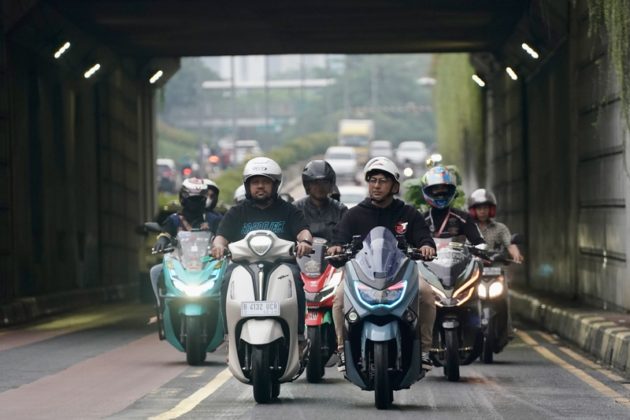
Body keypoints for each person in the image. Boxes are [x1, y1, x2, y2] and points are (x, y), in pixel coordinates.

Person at [327, 157, 436, 372]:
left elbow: (424, 236)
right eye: (373, 180)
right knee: (339, 299)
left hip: (401, 274)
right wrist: (336, 247)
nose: (376, 186)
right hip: (362, 275)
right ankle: (342, 350)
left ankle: (424, 350)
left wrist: (426, 246)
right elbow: (339, 238)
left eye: (383, 181)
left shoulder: (408, 213)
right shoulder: (354, 214)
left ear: (394, 186)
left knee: (426, 295)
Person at [211, 157, 313, 352]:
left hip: (281, 265)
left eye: (265, 182)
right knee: (226, 278)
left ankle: (299, 336)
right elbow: (221, 236)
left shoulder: (288, 210)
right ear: (247, 186)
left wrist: (305, 242)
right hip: (243, 266)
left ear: (275, 185)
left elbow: (303, 231)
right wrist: (218, 246)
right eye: (255, 182)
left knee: (295, 278)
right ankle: (229, 336)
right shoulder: (236, 212)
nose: (260, 186)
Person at [151, 178, 213, 310]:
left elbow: (223, 236)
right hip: (179, 263)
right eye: (192, 199)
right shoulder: (173, 219)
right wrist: (162, 240)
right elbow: (165, 233)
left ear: (204, 200)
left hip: (208, 263)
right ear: (182, 199)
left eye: (199, 199)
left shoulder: (213, 219)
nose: (195, 203)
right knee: (155, 271)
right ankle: (161, 308)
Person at [421, 166, 485, 246]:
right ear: (428, 191)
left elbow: (478, 242)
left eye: (443, 188)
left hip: (457, 254)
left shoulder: (463, 218)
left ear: (450, 190)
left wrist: (482, 247)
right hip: (428, 254)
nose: (440, 192)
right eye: (436, 189)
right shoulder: (420, 220)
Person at [294, 160, 348, 242]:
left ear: (331, 184)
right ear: (308, 185)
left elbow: (346, 236)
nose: (320, 187)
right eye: (315, 182)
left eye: (324, 182)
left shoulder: (340, 210)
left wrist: (338, 245)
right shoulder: (296, 209)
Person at [467, 189, 523, 263]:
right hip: (471, 266)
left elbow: (509, 243)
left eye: (485, 208)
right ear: (473, 210)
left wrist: (516, 254)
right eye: (479, 208)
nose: (482, 211)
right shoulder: (466, 228)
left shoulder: (500, 228)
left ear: (491, 209)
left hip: (494, 266)